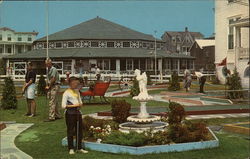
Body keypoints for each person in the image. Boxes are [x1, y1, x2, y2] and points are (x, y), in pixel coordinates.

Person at [62, 77, 88, 155]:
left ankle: (79, 147)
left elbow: (80, 102)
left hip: (77, 113)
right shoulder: (66, 92)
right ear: (70, 83)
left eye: (77, 83)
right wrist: (74, 106)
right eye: (75, 83)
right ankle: (71, 148)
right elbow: (63, 106)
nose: (76, 85)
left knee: (79, 130)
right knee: (70, 130)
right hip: (70, 114)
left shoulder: (77, 91)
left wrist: (80, 105)